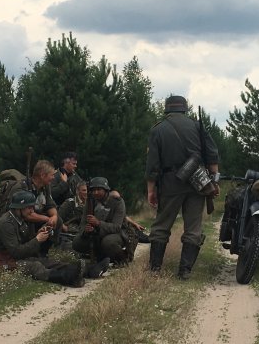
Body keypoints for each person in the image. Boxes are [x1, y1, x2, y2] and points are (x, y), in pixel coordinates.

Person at [145, 95, 219, 279]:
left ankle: (155, 269)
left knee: (162, 225)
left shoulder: (158, 129)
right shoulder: (197, 126)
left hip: (170, 183)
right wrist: (214, 181)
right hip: (198, 182)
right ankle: (185, 271)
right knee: (193, 227)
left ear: (167, 109)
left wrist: (151, 190)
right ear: (185, 109)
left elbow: (152, 164)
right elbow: (212, 155)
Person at [0, 190, 107, 285]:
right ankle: (69, 277)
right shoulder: (7, 224)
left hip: (13, 258)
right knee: (35, 266)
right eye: (29, 207)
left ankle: (89, 270)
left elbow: (23, 244)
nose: (32, 211)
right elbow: (16, 252)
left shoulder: (18, 219)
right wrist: (37, 240)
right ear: (19, 208)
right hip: (3, 262)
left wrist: (37, 234)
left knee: (46, 262)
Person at [75, 176, 129, 264]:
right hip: (96, 232)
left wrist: (98, 223)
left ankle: (122, 258)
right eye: (93, 190)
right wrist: (86, 230)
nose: (96, 192)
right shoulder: (90, 201)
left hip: (116, 233)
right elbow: (83, 223)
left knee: (108, 242)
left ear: (106, 190)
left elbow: (117, 227)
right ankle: (100, 256)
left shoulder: (117, 202)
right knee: (77, 242)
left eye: (99, 189)